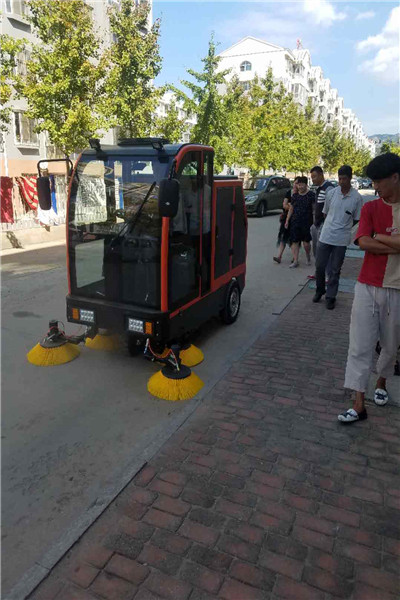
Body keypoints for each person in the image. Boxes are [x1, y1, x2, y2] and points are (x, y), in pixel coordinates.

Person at [338, 152, 400, 423]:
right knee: (359, 344)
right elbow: (362, 241)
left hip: (397, 288)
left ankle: (381, 382)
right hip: (367, 285)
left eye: (378, 181)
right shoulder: (370, 208)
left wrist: (379, 236)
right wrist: (392, 243)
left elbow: (371, 239)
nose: (375, 187)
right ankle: (358, 403)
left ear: (395, 178)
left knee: (390, 345)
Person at [313, 165, 363, 309]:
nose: (341, 182)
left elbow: (356, 218)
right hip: (326, 235)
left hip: (341, 239)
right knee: (319, 266)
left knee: (335, 270)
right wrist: (331, 224)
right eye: (339, 179)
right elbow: (325, 213)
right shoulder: (332, 193)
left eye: (344, 179)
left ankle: (331, 296)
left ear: (350, 178)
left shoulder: (357, 198)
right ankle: (320, 290)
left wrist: (344, 226)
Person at [309, 166, 334, 279]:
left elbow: (331, 207)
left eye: (314, 177)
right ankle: (318, 272)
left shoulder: (328, 188)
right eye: (312, 177)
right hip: (317, 224)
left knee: (324, 251)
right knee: (316, 250)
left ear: (321, 175)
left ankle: (328, 275)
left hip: (324, 225)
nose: (313, 179)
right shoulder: (319, 188)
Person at [285, 176, 314, 268]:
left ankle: (308, 256)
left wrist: (314, 221)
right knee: (295, 241)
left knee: (306, 243)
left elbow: (314, 209)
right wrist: (287, 220)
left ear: (306, 185)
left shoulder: (311, 195)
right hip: (295, 222)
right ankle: (295, 260)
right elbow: (291, 208)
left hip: (307, 222)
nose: (300, 187)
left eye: (302, 185)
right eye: (298, 185)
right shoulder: (295, 196)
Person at [273, 179, 298, 264]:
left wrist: (291, 206)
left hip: (296, 219)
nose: (296, 185)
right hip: (286, 218)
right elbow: (284, 205)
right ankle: (279, 256)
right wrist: (291, 207)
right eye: (295, 183)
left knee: (294, 239)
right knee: (283, 237)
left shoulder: (300, 194)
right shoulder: (289, 192)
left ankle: (295, 258)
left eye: (298, 183)